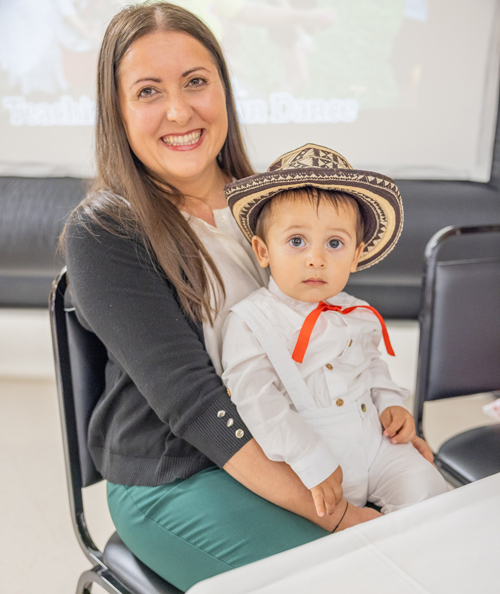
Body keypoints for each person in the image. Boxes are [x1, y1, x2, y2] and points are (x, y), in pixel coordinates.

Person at [61, 3, 437, 591]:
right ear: (117, 111)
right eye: (148, 91)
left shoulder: (275, 207)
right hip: (180, 474)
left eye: (195, 82)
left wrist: (380, 433)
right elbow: (194, 409)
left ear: (224, 91)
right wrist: (339, 514)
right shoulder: (105, 231)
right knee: (366, 577)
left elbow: (324, 335)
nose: (179, 110)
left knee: (437, 544)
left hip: (296, 443)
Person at [222, 143, 448, 518]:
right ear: (263, 251)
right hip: (313, 458)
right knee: (325, 545)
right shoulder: (250, 320)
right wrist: (308, 457)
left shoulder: (354, 311)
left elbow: (372, 365)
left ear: (356, 255)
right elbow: (257, 401)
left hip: (375, 444)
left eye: (335, 243)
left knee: (429, 492)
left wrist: (389, 403)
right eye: (296, 241)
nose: (316, 257)